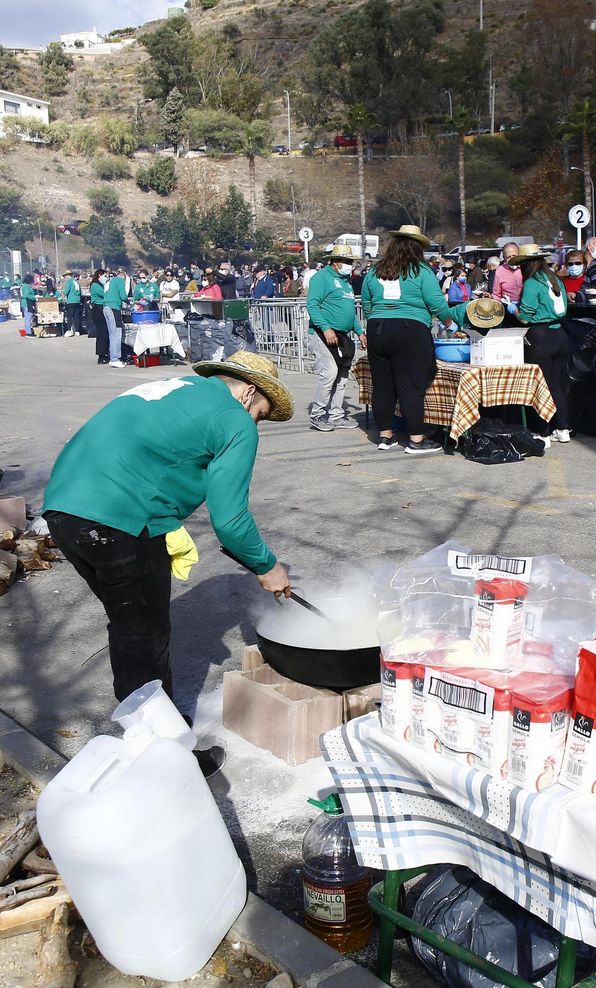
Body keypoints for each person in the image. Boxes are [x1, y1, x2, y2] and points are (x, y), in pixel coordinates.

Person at [43, 351, 295, 776]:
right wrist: (268, 567)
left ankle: (143, 733)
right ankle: (166, 759)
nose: (257, 425)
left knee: (128, 629)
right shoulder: (234, 418)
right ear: (249, 391)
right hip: (116, 519)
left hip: (64, 510)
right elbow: (230, 520)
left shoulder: (179, 389)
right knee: (144, 637)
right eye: (262, 416)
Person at [360, 225, 472, 455]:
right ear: (417, 248)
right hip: (410, 330)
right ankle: (416, 441)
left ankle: (385, 436)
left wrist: (375, 325)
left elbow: (367, 304)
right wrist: (452, 326)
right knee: (410, 387)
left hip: (378, 329)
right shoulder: (420, 270)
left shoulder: (374, 271)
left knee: (383, 386)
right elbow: (436, 303)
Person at [512, 244, 574, 443]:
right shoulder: (555, 278)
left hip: (540, 337)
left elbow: (525, 317)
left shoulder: (532, 282)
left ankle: (543, 433)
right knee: (556, 385)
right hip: (560, 335)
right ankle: (563, 428)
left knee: (540, 386)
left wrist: (513, 310)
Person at [305, 243, 363, 432]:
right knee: (329, 372)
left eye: (350, 261)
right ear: (335, 261)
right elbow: (313, 305)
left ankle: (337, 415)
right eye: (346, 261)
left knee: (342, 376)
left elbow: (349, 312)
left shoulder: (346, 282)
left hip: (342, 335)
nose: (349, 264)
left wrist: (360, 331)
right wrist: (326, 328)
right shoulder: (321, 278)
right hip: (323, 334)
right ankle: (318, 414)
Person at [101, 267, 129, 366]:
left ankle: (112, 357)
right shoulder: (120, 281)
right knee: (117, 334)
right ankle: (115, 358)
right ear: (124, 277)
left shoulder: (110, 281)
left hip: (106, 307)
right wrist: (128, 301)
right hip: (114, 308)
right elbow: (123, 295)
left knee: (111, 334)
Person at [59, 270, 83, 337]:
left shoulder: (69, 282)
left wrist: (61, 296)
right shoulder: (76, 282)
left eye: (65, 276)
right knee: (76, 316)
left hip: (71, 301)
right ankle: (77, 331)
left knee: (70, 316)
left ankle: (69, 330)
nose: (65, 278)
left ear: (68, 276)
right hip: (77, 301)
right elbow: (80, 292)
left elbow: (66, 291)